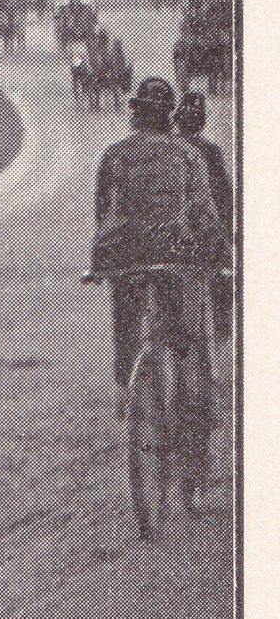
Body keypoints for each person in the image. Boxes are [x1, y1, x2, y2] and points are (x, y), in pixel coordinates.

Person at [93, 78, 223, 473]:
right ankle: (194, 441)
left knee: (127, 323)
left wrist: (102, 260)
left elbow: (102, 214)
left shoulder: (113, 155)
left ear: (135, 114)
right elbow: (203, 211)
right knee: (189, 345)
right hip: (174, 255)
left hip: (125, 255)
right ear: (168, 116)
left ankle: (126, 388)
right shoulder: (186, 156)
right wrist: (215, 256)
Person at [176, 90, 234, 351]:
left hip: (173, 236)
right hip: (200, 234)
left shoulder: (170, 148)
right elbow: (224, 196)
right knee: (224, 275)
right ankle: (223, 337)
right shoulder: (209, 151)